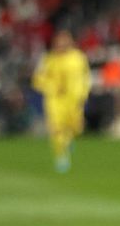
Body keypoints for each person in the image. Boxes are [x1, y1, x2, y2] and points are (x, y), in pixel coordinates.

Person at [32, 30, 91, 173]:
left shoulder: (78, 58)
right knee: (56, 127)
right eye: (59, 42)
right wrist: (51, 87)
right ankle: (61, 157)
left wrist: (83, 94)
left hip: (74, 99)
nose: (61, 45)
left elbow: (85, 77)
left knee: (76, 127)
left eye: (65, 42)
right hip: (55, 100)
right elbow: (37, 80)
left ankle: (68, 139)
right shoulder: (48, 59)